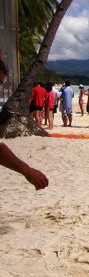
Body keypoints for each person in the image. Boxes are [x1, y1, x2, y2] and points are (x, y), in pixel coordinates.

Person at [0, 60, 49, 190]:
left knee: (38, 115)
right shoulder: (44, 91)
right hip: (41, 106)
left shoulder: (36, 90)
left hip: (35, 106)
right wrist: (27, 170)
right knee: (40, 115)